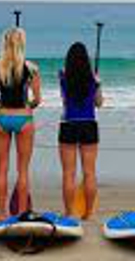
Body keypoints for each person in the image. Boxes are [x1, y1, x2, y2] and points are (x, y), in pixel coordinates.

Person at [0, 28, 41, 221]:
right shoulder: (32, 68)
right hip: (24, 118)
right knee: (23, 170)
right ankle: (21, 213)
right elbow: (37, 99)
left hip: (1, 118)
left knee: (2, 167)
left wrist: (1, 102)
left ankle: (2, 213)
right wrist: (27, 105)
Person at [58, 42, 103, 219]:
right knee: (89, 172)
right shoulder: (94, 79)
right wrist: (97, 85)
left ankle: (69, 212)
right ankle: (89, 213)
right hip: (89, 124)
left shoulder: (63, 76)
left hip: (69, 124)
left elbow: (65, 101)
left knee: (69, 173)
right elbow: (99, 103)